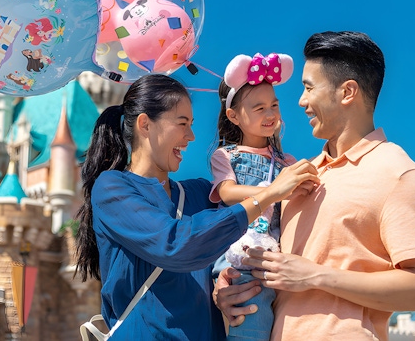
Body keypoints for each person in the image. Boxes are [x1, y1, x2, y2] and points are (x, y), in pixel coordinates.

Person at [214, 31, 415, 341]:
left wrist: (314, 276)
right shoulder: (297, 176)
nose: (301, 101)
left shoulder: (397, 172)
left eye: (309, 87)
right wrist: (226, 290)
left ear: (347, 92)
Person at [74, 74, 319, 340]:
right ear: (146, 124)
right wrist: (268, 194)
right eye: (182, 124)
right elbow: (175, 244)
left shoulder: (202, 193)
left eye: (191, 124)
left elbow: (221, 254)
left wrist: (224, 283)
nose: (191, 136)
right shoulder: (112, 188)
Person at [210, 52, 301, 340]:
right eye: (259, 107)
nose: (271, 114)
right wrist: (273, 191)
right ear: (233, 116)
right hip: (242, 257)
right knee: (252, 325)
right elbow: (226, 192)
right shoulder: (227, 156)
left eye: (274, 105)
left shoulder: (287, 161)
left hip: (276, 258)